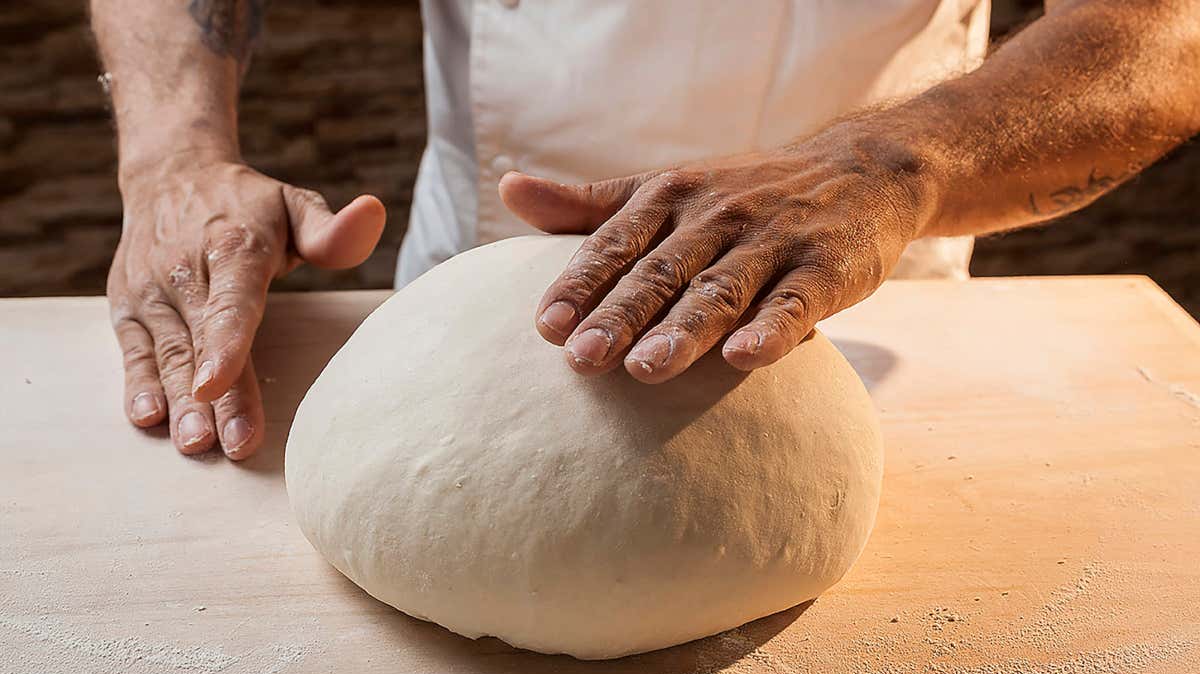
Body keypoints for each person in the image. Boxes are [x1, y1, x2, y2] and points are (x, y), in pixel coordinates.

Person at [91, 0, 1200, 461]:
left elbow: (1163, 28)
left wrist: (883, 165)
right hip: (478, 300)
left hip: (865, 298)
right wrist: (173, 156)